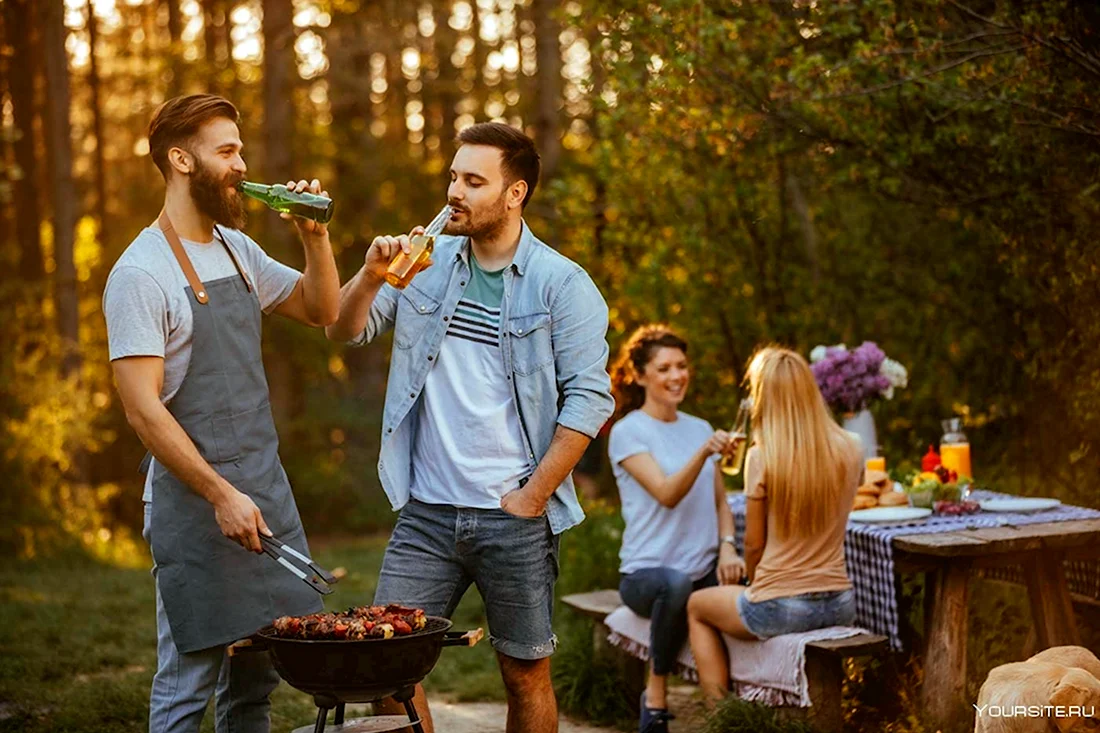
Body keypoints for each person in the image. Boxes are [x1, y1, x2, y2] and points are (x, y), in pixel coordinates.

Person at [325, 122, 614, 733]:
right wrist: (372, 275)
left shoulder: (562, 284)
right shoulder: (420, 263)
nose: (454, 191)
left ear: (515, 195)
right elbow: (344, 330)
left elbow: (589, 401)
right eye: (453, 177)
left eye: (473, 181)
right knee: (387, 668)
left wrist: (532, 497)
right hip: (425, 512)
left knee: (524, 674)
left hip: (514, 517)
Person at [103, 94, 340, 733]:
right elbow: (143, 411)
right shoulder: (140, 273)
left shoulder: (238, 249)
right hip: (195, 503)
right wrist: (219, 493)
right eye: (227, 151)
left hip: (263, 489)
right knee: (189, 683)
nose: (241, 165)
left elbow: (323, 310)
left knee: (255, 683)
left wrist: (313, 238)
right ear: (182, 159)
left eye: (241, 150)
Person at [686, 346, 863, 700]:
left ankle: (722, 713)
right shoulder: (853, 446)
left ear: (763, 397)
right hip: (841, 602)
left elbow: (753, 544)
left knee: (696, 606)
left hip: (780, 606)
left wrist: (754, 583)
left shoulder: (761, 456)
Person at [607, 324, 745, 733]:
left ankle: (730, 712)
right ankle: (656, 693)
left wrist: (727, 547)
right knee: (676, 584)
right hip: (647, 576)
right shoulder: (628, 431)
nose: (676, 376)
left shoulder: (699, 427)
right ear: (641, 375)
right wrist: (703, 453)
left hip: (705, 570)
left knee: (753, 589)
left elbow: (721, 501)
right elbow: (667, 493)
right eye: (664, 368)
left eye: (681, 366)